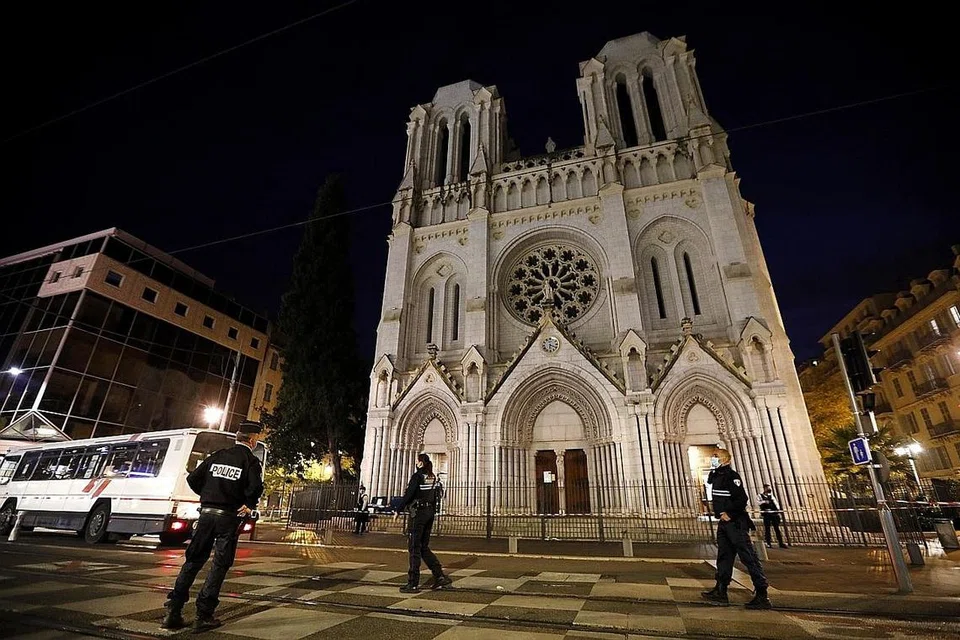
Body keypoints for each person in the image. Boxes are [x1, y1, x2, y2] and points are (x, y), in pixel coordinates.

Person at [162, 421, 265, 632]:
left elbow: (193, 478)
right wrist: (247, 504)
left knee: (193, 560)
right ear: (252, 440)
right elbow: (255, 488)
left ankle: (174, 610)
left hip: (207, 515)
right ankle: (204, 613)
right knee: (219, 564)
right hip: (228, 517)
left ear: (238, 436)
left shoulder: (218, 455)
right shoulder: (250, 461)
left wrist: (209, 495)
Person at [701, 448, 772, 609]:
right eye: (713, 456)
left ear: (726, 460)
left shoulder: (732, 476)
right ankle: (721, 590)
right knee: (724, 557)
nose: (713, 458)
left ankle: (762, 593)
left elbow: (742, 499)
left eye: (716, 456)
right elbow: (713, 485)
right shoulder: (717, 475)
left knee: (748, 557)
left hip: (736, 523)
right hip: (724, 523)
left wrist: (729, 513)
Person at [394, 453, 452, 593]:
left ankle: (413, 583)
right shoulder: (433, 477)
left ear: (420, 463)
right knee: (423, 547)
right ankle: (439, 576)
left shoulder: (418, 476)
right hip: (429, 513)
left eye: (416, 461)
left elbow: (409, 495)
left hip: (418, 514)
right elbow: (437, 495)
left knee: (414, 547)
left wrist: (398, 509)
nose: (415, 463)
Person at [758, 484, 787, 549]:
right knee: (767, 529)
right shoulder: (760, 495)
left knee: (777, 528)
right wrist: (764, 501)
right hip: (766, 514)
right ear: (764, 488)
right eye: (767, 488)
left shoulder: (771, 496)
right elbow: (758, 503)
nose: (768, 489)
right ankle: (768, 543)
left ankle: (781, 542)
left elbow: (776, 503)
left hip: (773, 514)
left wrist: (778, 510)